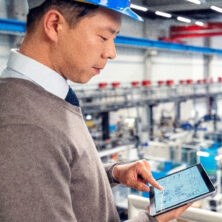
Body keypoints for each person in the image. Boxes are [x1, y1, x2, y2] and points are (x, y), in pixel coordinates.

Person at [0, 0, 190, 221]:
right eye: (103, 37)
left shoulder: (46, 94)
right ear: (53, 25)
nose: (111, 52)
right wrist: (151, 219)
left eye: (114, 38)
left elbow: (59, 169)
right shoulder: (24, 127)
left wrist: (114, 173)